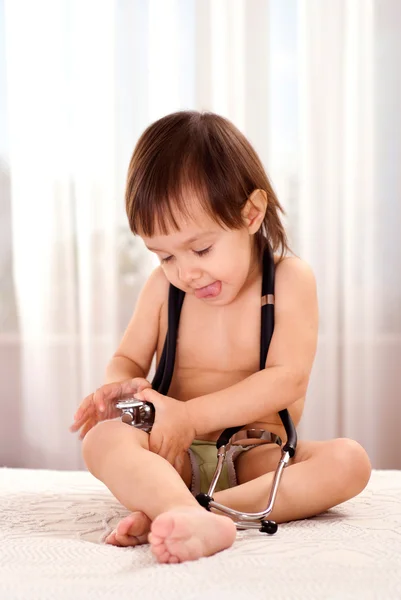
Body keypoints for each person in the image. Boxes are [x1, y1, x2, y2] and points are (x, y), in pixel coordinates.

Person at [70, 111, 371, 564]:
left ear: (251, 213)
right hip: (173, 455)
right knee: (102, 440)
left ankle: (196, 512)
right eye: (165, 255)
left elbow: (286, 380)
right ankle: (175, 502)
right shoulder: (163, 289)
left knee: (350, 461)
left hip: (253, 455)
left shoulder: (288, 280)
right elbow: (128, 361)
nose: (186, 272)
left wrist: (190, 415)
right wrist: (126, 389)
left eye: (201, 249)